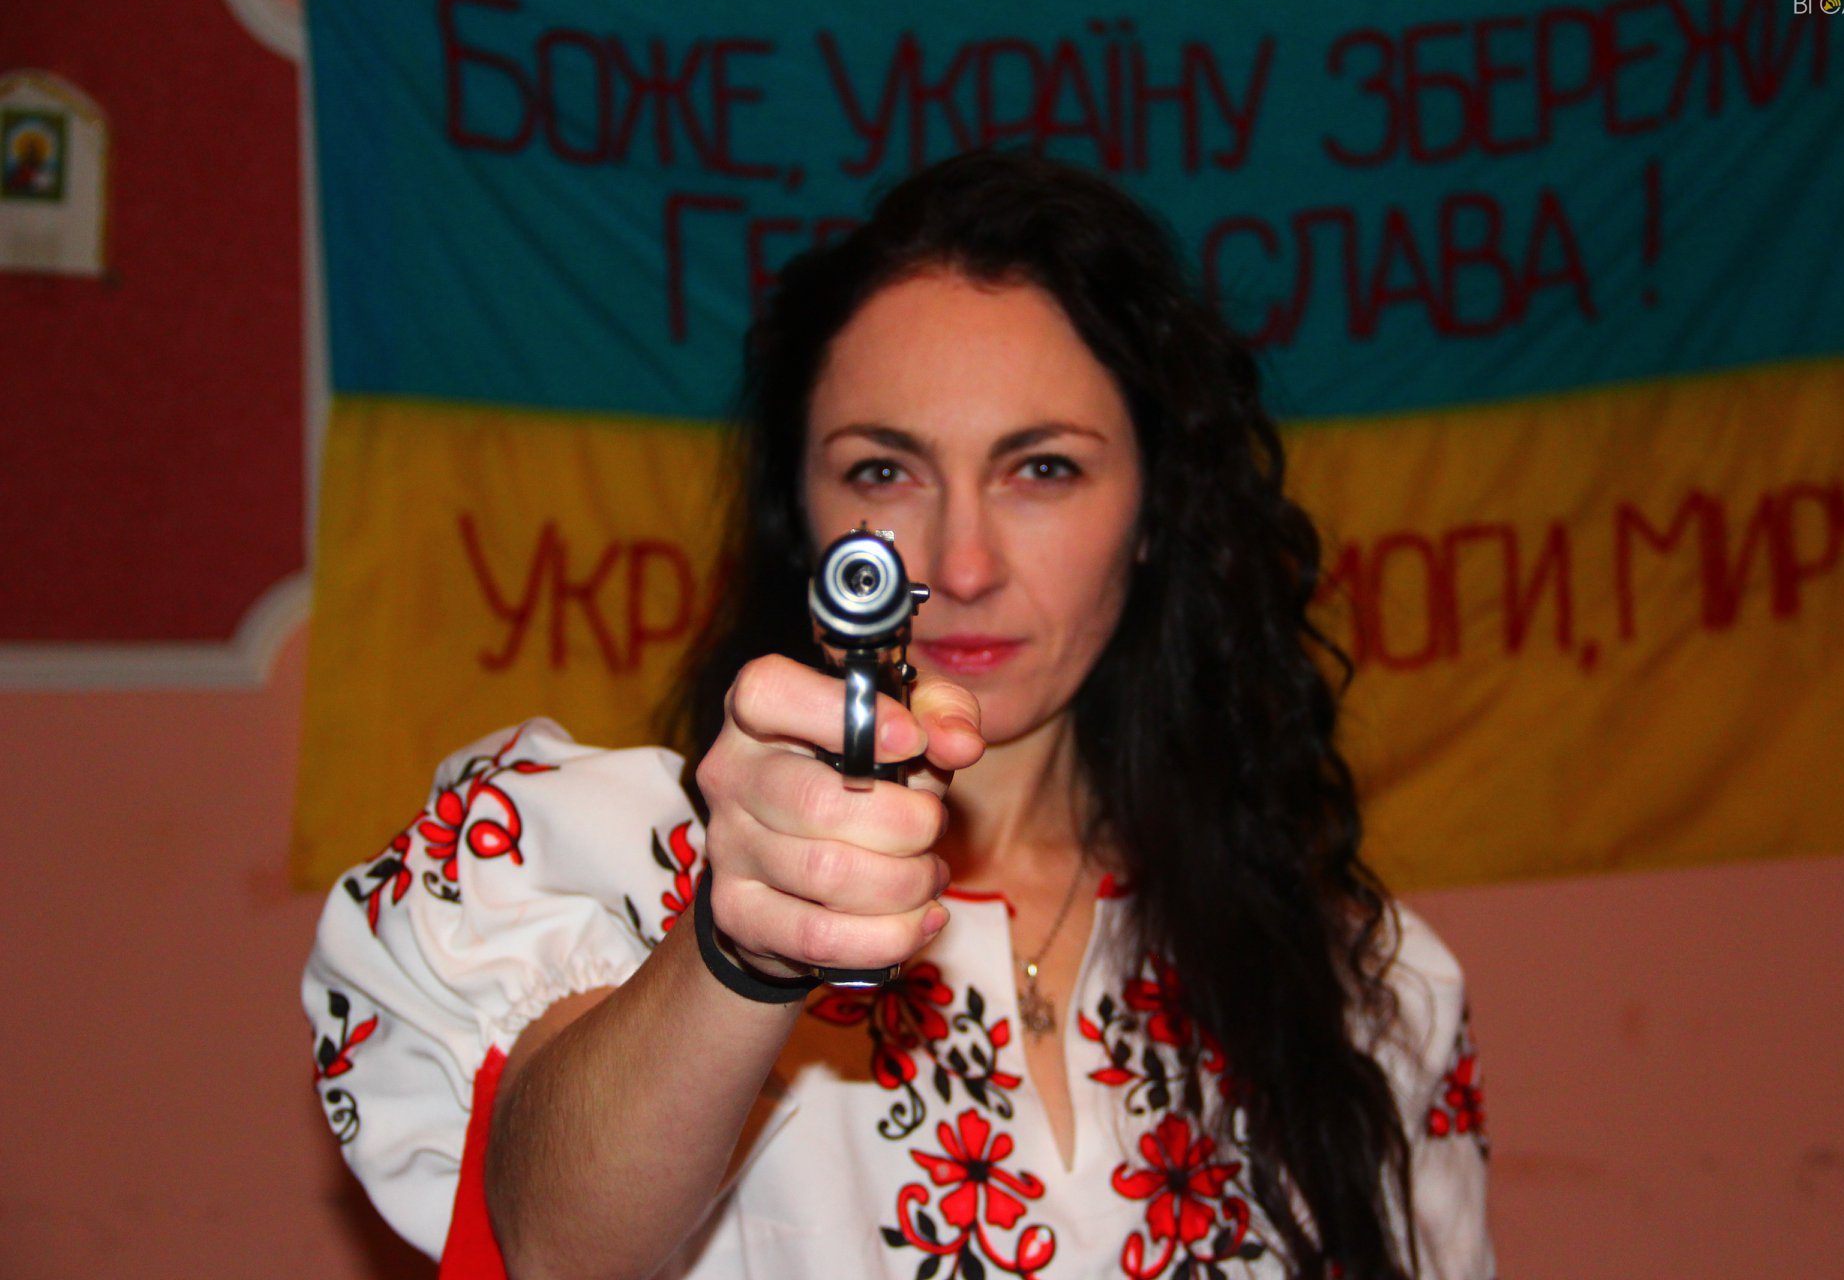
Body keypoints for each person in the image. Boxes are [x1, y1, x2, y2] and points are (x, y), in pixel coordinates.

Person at [302, 148, 1494, 1280]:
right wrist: (737, 954)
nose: (961, 564)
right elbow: (553, 1252)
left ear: (1153, 513)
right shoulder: (617, 870)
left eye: (1044, 468)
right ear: (802, 515)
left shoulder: (1362, 994)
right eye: (884, 470)